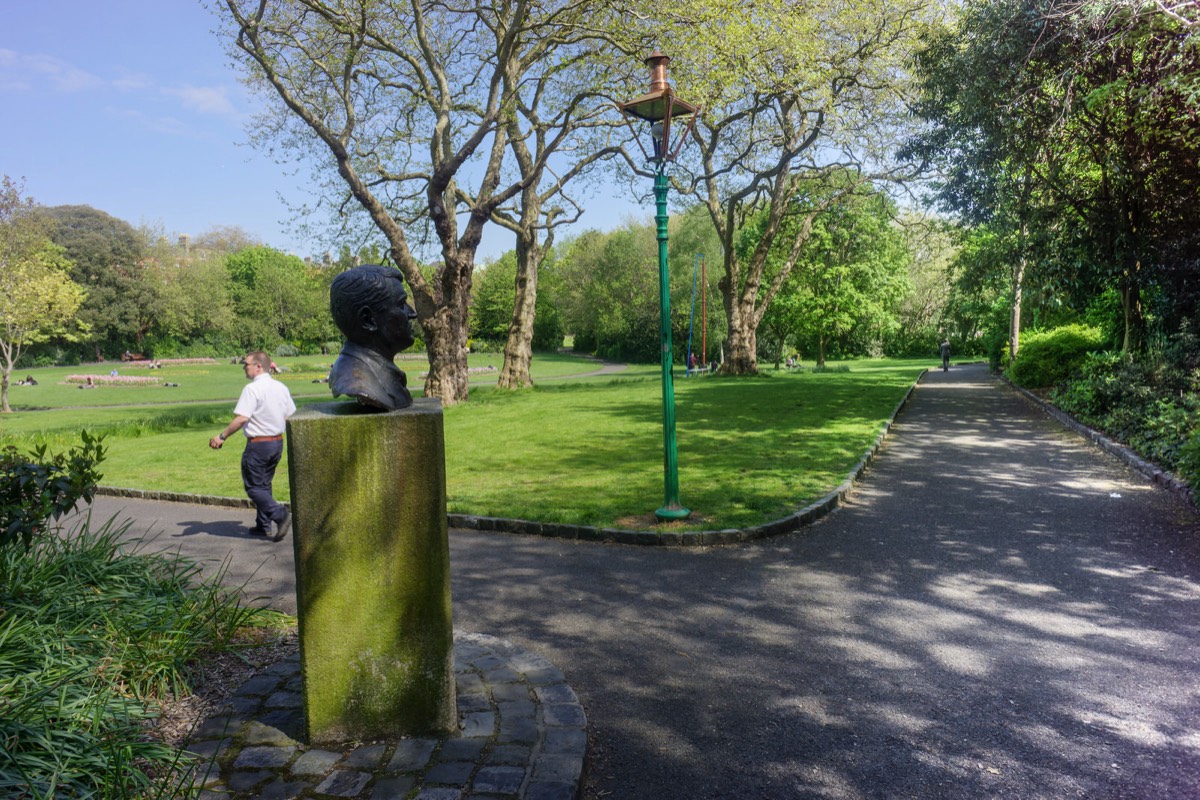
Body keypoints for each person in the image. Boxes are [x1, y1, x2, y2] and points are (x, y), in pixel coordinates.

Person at [209, 351, 296, 541]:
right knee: (264, 485)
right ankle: (263, 526)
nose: (243, 367)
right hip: (276, 443)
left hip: (259, 445)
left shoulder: (252, 389)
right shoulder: (280, 387)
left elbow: (242, 418)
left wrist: (222, 436)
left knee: (253, 487)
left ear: (258, 366)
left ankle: (281, 515)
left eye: (246, 364)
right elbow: (290, 415)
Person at [328, 264, 419, 411]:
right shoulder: (357, 382)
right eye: (401, 304)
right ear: (368, 320)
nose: (412, 313)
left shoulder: (379, 375)